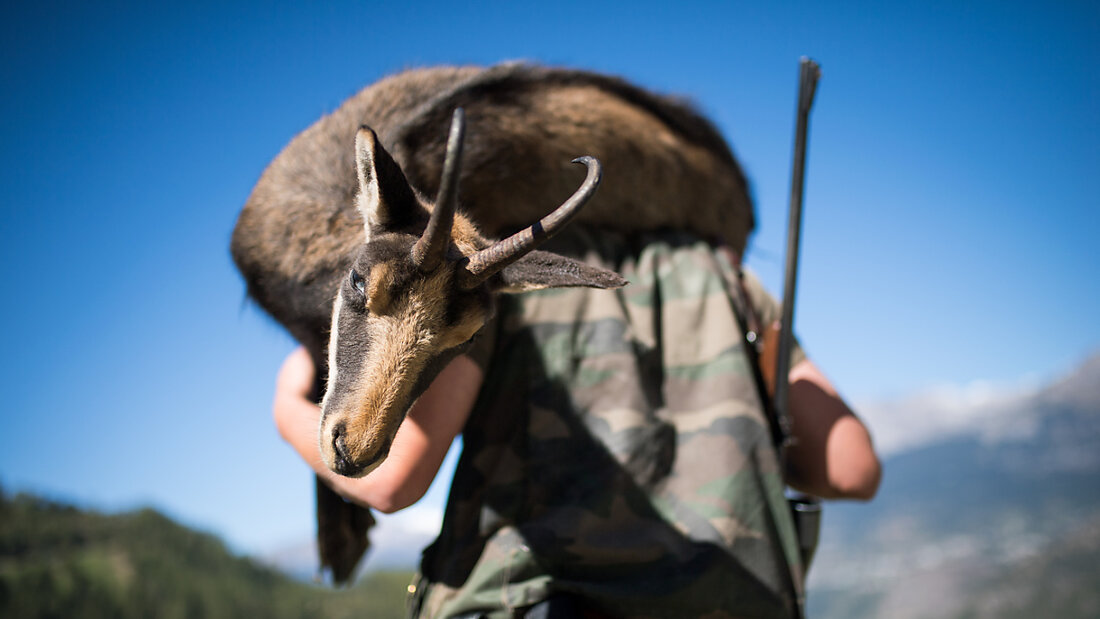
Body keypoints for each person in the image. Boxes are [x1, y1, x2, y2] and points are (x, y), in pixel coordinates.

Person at [274, 228, 880, 618]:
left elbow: (392, 480)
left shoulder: (486, 276)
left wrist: (287, 411)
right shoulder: (730, 281)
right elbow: (853, 469)